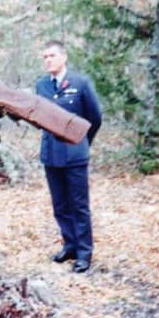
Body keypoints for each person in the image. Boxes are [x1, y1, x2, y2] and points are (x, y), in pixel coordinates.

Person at [36, 41, 102, 273]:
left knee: (79, 205)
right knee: (60, 205)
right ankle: (70, 245)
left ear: (63, 57)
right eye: (45, 56)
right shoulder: (41, 85)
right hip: (50, 154)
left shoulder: (80, 82)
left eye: (52, 55)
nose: (48, 60)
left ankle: (84, 253)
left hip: (74, 155)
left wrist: (82, 143)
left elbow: (95, 117)